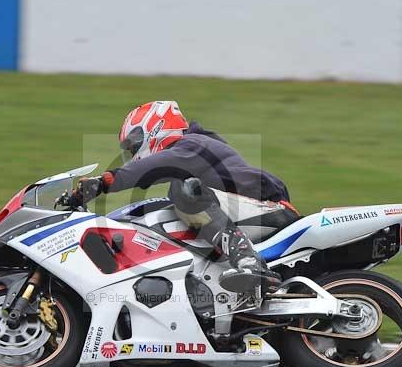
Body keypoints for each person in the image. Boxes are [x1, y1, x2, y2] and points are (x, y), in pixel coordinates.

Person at [71, 101, 296, 293]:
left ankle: (249, 262)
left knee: (186, 192)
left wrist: (104, 181)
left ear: (154, 129)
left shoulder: (193, 144)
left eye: (133, 146)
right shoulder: (192, 154)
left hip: (268, 209)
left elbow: (157, 165)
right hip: (246, 211)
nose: (133, 155)